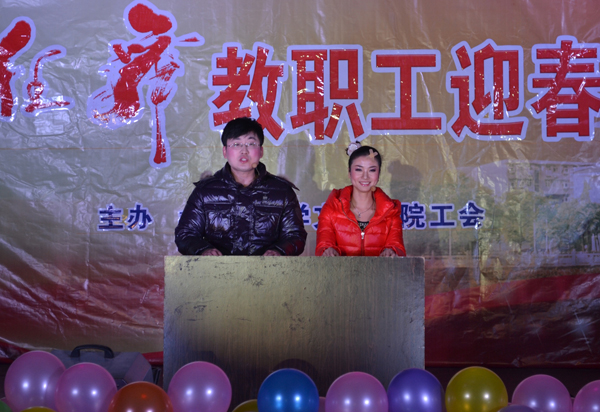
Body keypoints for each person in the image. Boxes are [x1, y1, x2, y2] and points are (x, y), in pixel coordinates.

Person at [175, 117, 307, 256]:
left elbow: (295, 235)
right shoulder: (205, 192)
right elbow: (185, 234)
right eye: (236, 144)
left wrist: (279, 251)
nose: (244, 150)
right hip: (217, 269)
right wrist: (204, 250)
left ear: (261, 151)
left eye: (251, 144)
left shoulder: (282, 192)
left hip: (268, 268)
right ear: (225, 151)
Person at [315, 144, 406, 257]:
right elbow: (323, 245)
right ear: (349, 172)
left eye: (372, 170)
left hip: (379, 270)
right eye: (358, 169)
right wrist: (327, 251)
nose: (365, 176)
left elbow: (397, 247)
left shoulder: (391, 212)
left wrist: (392, 252)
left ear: (378, 174)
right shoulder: (332, 207)